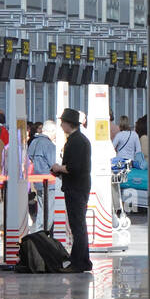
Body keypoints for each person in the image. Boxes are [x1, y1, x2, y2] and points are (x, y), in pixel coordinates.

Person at [50, 109, 93, 274]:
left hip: (76, 188)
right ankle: (83, 260)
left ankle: (78, 263)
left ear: (69, 123)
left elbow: (74, 167)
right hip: (78, 186)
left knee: (77, 226)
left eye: (62, 122)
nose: (61, 126)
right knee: (79, 225)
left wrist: (58, 167)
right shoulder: (79, 140)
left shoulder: (76, 142)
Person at [28, 120, 60, 233]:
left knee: (41, 208)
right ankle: (43, 233)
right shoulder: (49, 145)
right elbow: (54, 164)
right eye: (56, 132)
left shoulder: (34, 142)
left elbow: (30, 157)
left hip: (38, 182)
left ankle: (38, 232)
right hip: (49, 183)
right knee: (49, 210)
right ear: (51, 131)